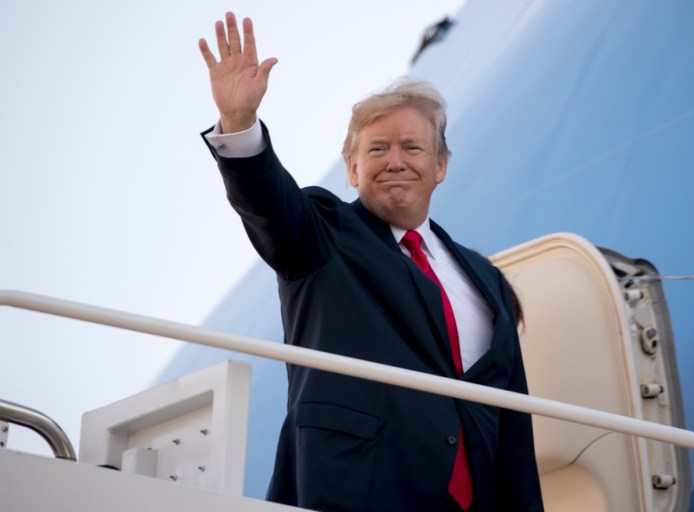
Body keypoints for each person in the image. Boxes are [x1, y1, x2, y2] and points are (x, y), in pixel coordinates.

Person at [198, 12, 543, 512]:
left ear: (441, 165)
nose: (395, 160)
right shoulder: (322, 234)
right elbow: (268, 202)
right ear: (352, 168)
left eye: (412, 147)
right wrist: (239, 124)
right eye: (377, 148)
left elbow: (512, 424)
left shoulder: (486, 279)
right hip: (356, 491)